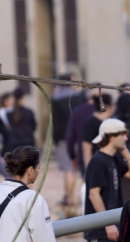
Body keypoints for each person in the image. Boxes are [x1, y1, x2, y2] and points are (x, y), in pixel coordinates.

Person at [51, 76, 87, 207]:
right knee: (82, 167)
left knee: (68, 169)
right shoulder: (80, 96)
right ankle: (82, 197)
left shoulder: (56, 98)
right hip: (81, 136)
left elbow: (55, 121)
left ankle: (70, 199)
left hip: (63, 137)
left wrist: (55, 139)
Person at [80, 93, 113, 169]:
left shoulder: (109, 121)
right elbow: (86, 148)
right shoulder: (91, 123)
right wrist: (88, 170)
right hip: (96, 165)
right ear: (108, 107)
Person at [4, 88, 37, 153]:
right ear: (22, 98)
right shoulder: (29, 112)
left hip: (15, 143)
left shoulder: (9, 114)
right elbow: (34, 126)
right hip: (28, 141)